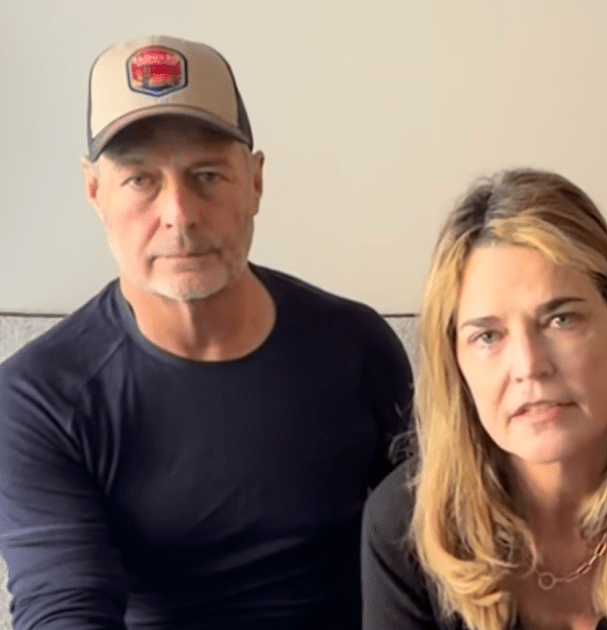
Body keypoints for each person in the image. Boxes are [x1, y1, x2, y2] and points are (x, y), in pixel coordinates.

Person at [0, 35, 413, 629]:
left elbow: (432, 549)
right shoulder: (38, 398)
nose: (180, 214)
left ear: (256, 181)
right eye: (140, 180)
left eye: (208, 175)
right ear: (94, 191)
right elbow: (63, 606)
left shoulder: (358, 346)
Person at [361, 169, 607, 630]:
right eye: (488, 336)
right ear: (457, 367)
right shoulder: (403, 525)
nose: (530, 366)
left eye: (561, 320)